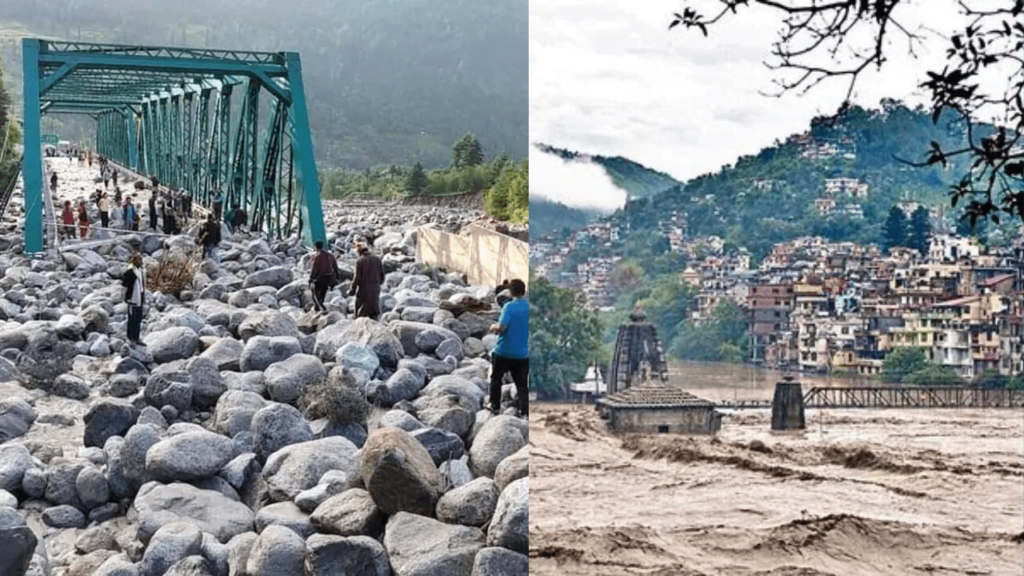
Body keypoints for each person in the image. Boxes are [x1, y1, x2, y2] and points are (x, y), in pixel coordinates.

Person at [486, 278, 529, 417]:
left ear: (510, 292)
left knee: (496, 378)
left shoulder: (509, 306)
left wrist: (493, 327)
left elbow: (502, 327)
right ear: (524, 291)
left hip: (503, 351)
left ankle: (494, 406)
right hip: (522, 354)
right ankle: (525, 411)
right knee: (522, 385)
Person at [349, 244, 385, 319]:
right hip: (375, 287)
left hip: (364, 288)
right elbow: (382, 274)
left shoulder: (360, 261)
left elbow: (357, 278)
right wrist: (378, 283)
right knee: (374, 304)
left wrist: (352, 289)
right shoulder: (377, 259)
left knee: (360, 307)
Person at [121, 253, 146, 346]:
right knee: (132, 319)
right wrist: (126, 297)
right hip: (133, 299)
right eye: (139, 260)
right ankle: (130, 337)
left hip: (140, 297)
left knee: (138, 318)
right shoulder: (130, 271)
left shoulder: (140, 270)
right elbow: (124, 285)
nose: (141, 262)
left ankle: (136, 337)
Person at [308, 241, 339, 313]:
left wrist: (310, 279)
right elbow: (335, 266)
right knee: (323, 292)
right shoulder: (330, 255)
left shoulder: (317, 257)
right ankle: (319, 306)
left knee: (314, 291)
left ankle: (320, 306)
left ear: (316, 247)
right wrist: (337, 276)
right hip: (329, 277)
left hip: (320, 277)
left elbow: (314, 269)